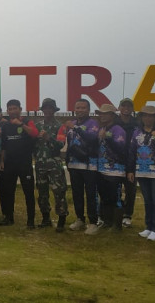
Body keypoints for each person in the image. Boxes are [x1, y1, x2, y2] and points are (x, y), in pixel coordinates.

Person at [127, 106, 155, 241]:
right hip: (141, 170)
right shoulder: (136, 132)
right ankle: (148, 226)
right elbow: (131, 152)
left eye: (151, 116)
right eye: (145, 115)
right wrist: (130, 170)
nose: (148, 118)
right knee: (147, 201)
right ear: (141, 117)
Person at [58, 99, 99, 232]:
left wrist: (75, 128)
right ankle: (80, 219)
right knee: (77, 194)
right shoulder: (72, 123)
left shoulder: (93, 123)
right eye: (78, 107)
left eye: (83, 108)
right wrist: (68, 161)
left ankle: (93, 222)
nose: (80, 110)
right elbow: (69, 144)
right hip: (74, 164)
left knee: (91, 194)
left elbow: (92, 139)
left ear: (88, 110)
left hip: (89, 165)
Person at [0, 99, 39, 228]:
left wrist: (21, 124)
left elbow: (35, 134)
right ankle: (8, 217)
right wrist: (2, 160)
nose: (12, 111)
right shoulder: (5, 126)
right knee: (8, 192)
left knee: (28, 193)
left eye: (14, 108)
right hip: (9, 163)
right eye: (9, 109)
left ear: (20, 109)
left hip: (24, 164)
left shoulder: (27, 121)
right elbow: (3, 145)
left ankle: (31, 221)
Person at [34, 98, 69, 231]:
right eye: (45, 108)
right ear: (42, 110)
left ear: (54, 110)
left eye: (50, 108)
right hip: (40, 164)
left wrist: (49, 138)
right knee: (42, 193)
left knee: (59, 192)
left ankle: (61, 220)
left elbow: (60, 145)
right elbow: (33, 145)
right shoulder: (38, 126)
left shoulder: (60, 126)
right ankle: (46, 218)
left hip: (54, 164)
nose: (48, 110)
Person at [94, 104, 127, 235]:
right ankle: (107, 221)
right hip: (101, 168)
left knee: (116, 198)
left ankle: (117, 224)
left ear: (112, 115)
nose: (102, 116)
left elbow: (121, 149)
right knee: (105, 197)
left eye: (105, 113)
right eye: (101, 114)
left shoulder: (118, 130)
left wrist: (107, 138)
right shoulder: (102, 128)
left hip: (115, 170)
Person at [117, 98, 139, 228]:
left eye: (129, 106)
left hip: (132, 161)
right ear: (119, 108)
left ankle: (127, 215)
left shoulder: (137, 124)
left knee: (130, 190)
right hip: (116, 161)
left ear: (132, 109)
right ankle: (117, 214)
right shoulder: (114, 122)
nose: (126, 108)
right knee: (116, 190)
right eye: (123, 106)